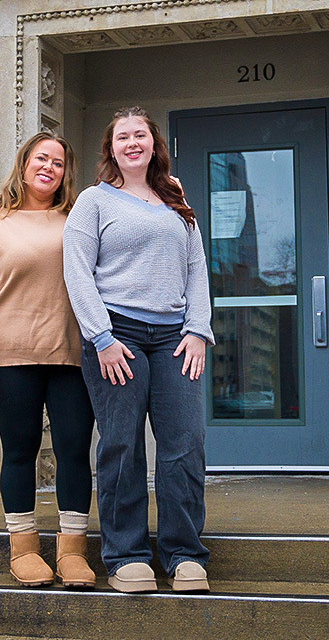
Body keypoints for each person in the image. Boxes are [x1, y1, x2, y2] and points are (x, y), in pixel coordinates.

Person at [62, 106, 213, 594]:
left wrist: (197, 329)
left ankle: (184, 553)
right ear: (110, 148)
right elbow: (77, 271)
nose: (132, 142)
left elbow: (196, 268)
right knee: (121, 445)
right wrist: (101, 338)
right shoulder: (94, 201)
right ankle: (126, 556)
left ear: (153, 144)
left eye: (140, 135)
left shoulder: (175, 197)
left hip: (175, 338)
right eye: (122, 136)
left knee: (184, 444)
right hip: (116, 335)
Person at [0, 130, 97, 589]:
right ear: (24, 164)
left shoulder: (77, 218)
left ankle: (72, 551)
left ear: (65, 173)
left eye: (58, 163)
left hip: (71, 357)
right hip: (10, 357)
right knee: (20, 451)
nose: (49, 168)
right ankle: (23, 549)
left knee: (75, 451)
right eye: (42, 159)